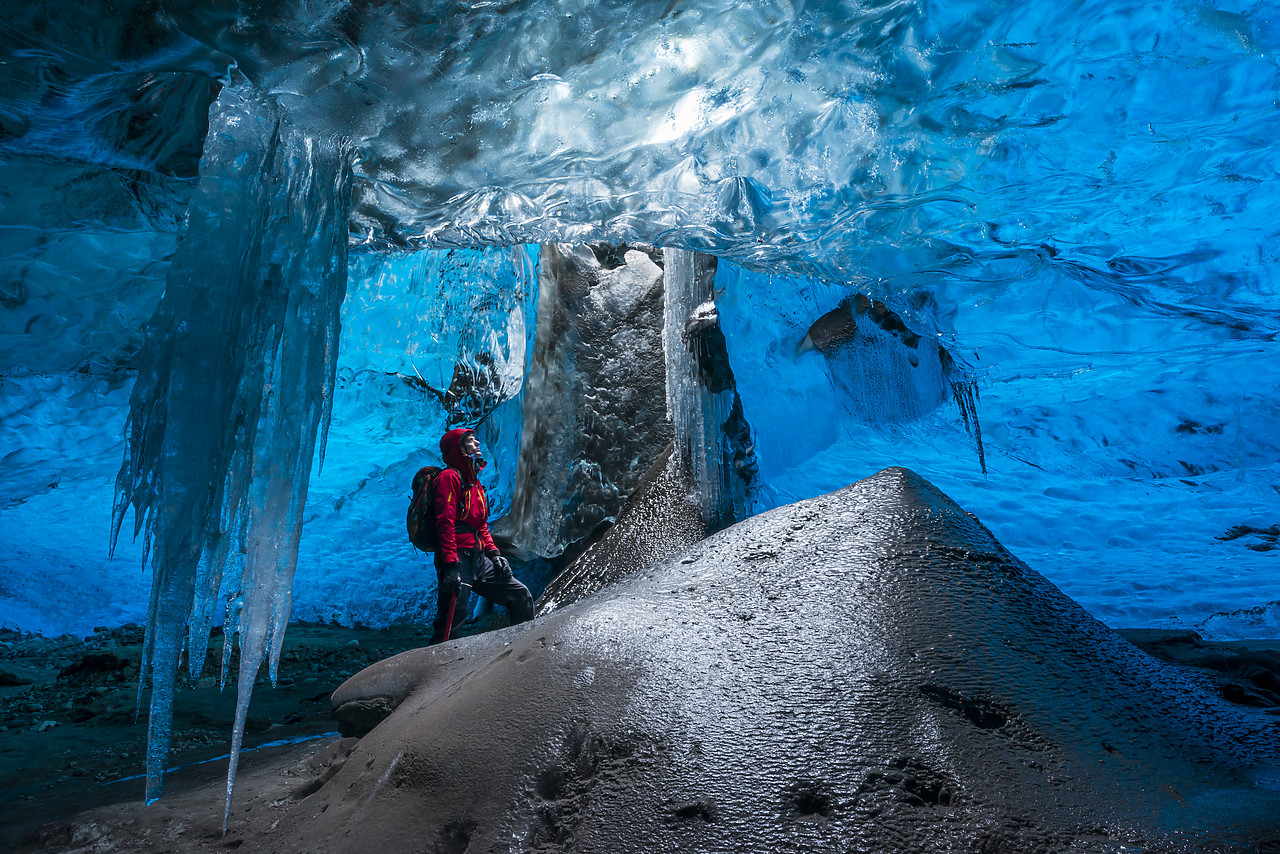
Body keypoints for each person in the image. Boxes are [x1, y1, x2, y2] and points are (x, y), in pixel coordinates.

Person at [429, 427, 534, 643]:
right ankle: (436, 668)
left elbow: (480, 524)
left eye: (476, 440)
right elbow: (445, 523)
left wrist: (494, 554)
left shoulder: (474, 481)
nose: (477, 444)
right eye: (470, 441)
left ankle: (522, 649)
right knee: (450, 622)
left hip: (477, 558)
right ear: (458, 448)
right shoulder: (449, 477)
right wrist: (450, 565)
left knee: (520, 595)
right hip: (457, 558)